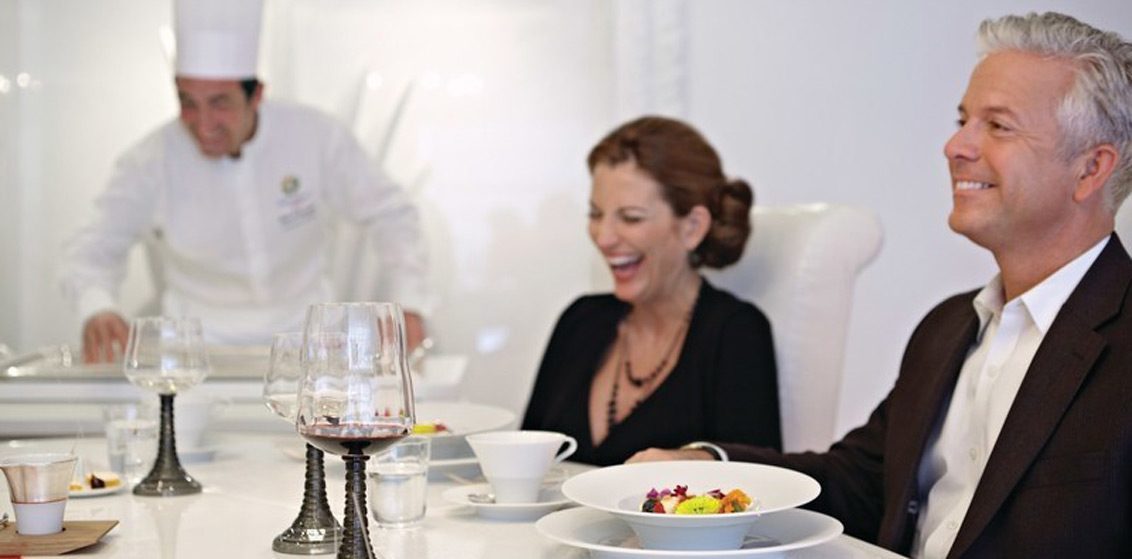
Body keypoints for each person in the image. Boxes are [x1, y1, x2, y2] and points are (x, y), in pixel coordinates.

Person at [629, 11, 1132, 558]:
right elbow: (863, 482)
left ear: (1091, 169)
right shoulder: (946, 327)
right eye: (963, 119)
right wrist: (711, 466)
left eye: (998, 126)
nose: (955, 145)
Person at [59, 0, 429, 363]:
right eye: (188, 102)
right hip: (194, 356)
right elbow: (91, 249)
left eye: (219, 102)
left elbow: (391, 214)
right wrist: (97, 307)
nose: (203, 124)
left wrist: (409, 300)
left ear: (256, 96)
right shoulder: (150, 160)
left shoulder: (315, 137)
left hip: (310, 349)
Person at [521, 116, 782, 466]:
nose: (603, 237)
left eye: (631, 217)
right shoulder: (580, 320)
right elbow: (525, 462)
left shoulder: (735, 333)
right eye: (595, 214)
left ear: (692, 227)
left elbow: (759, 482)